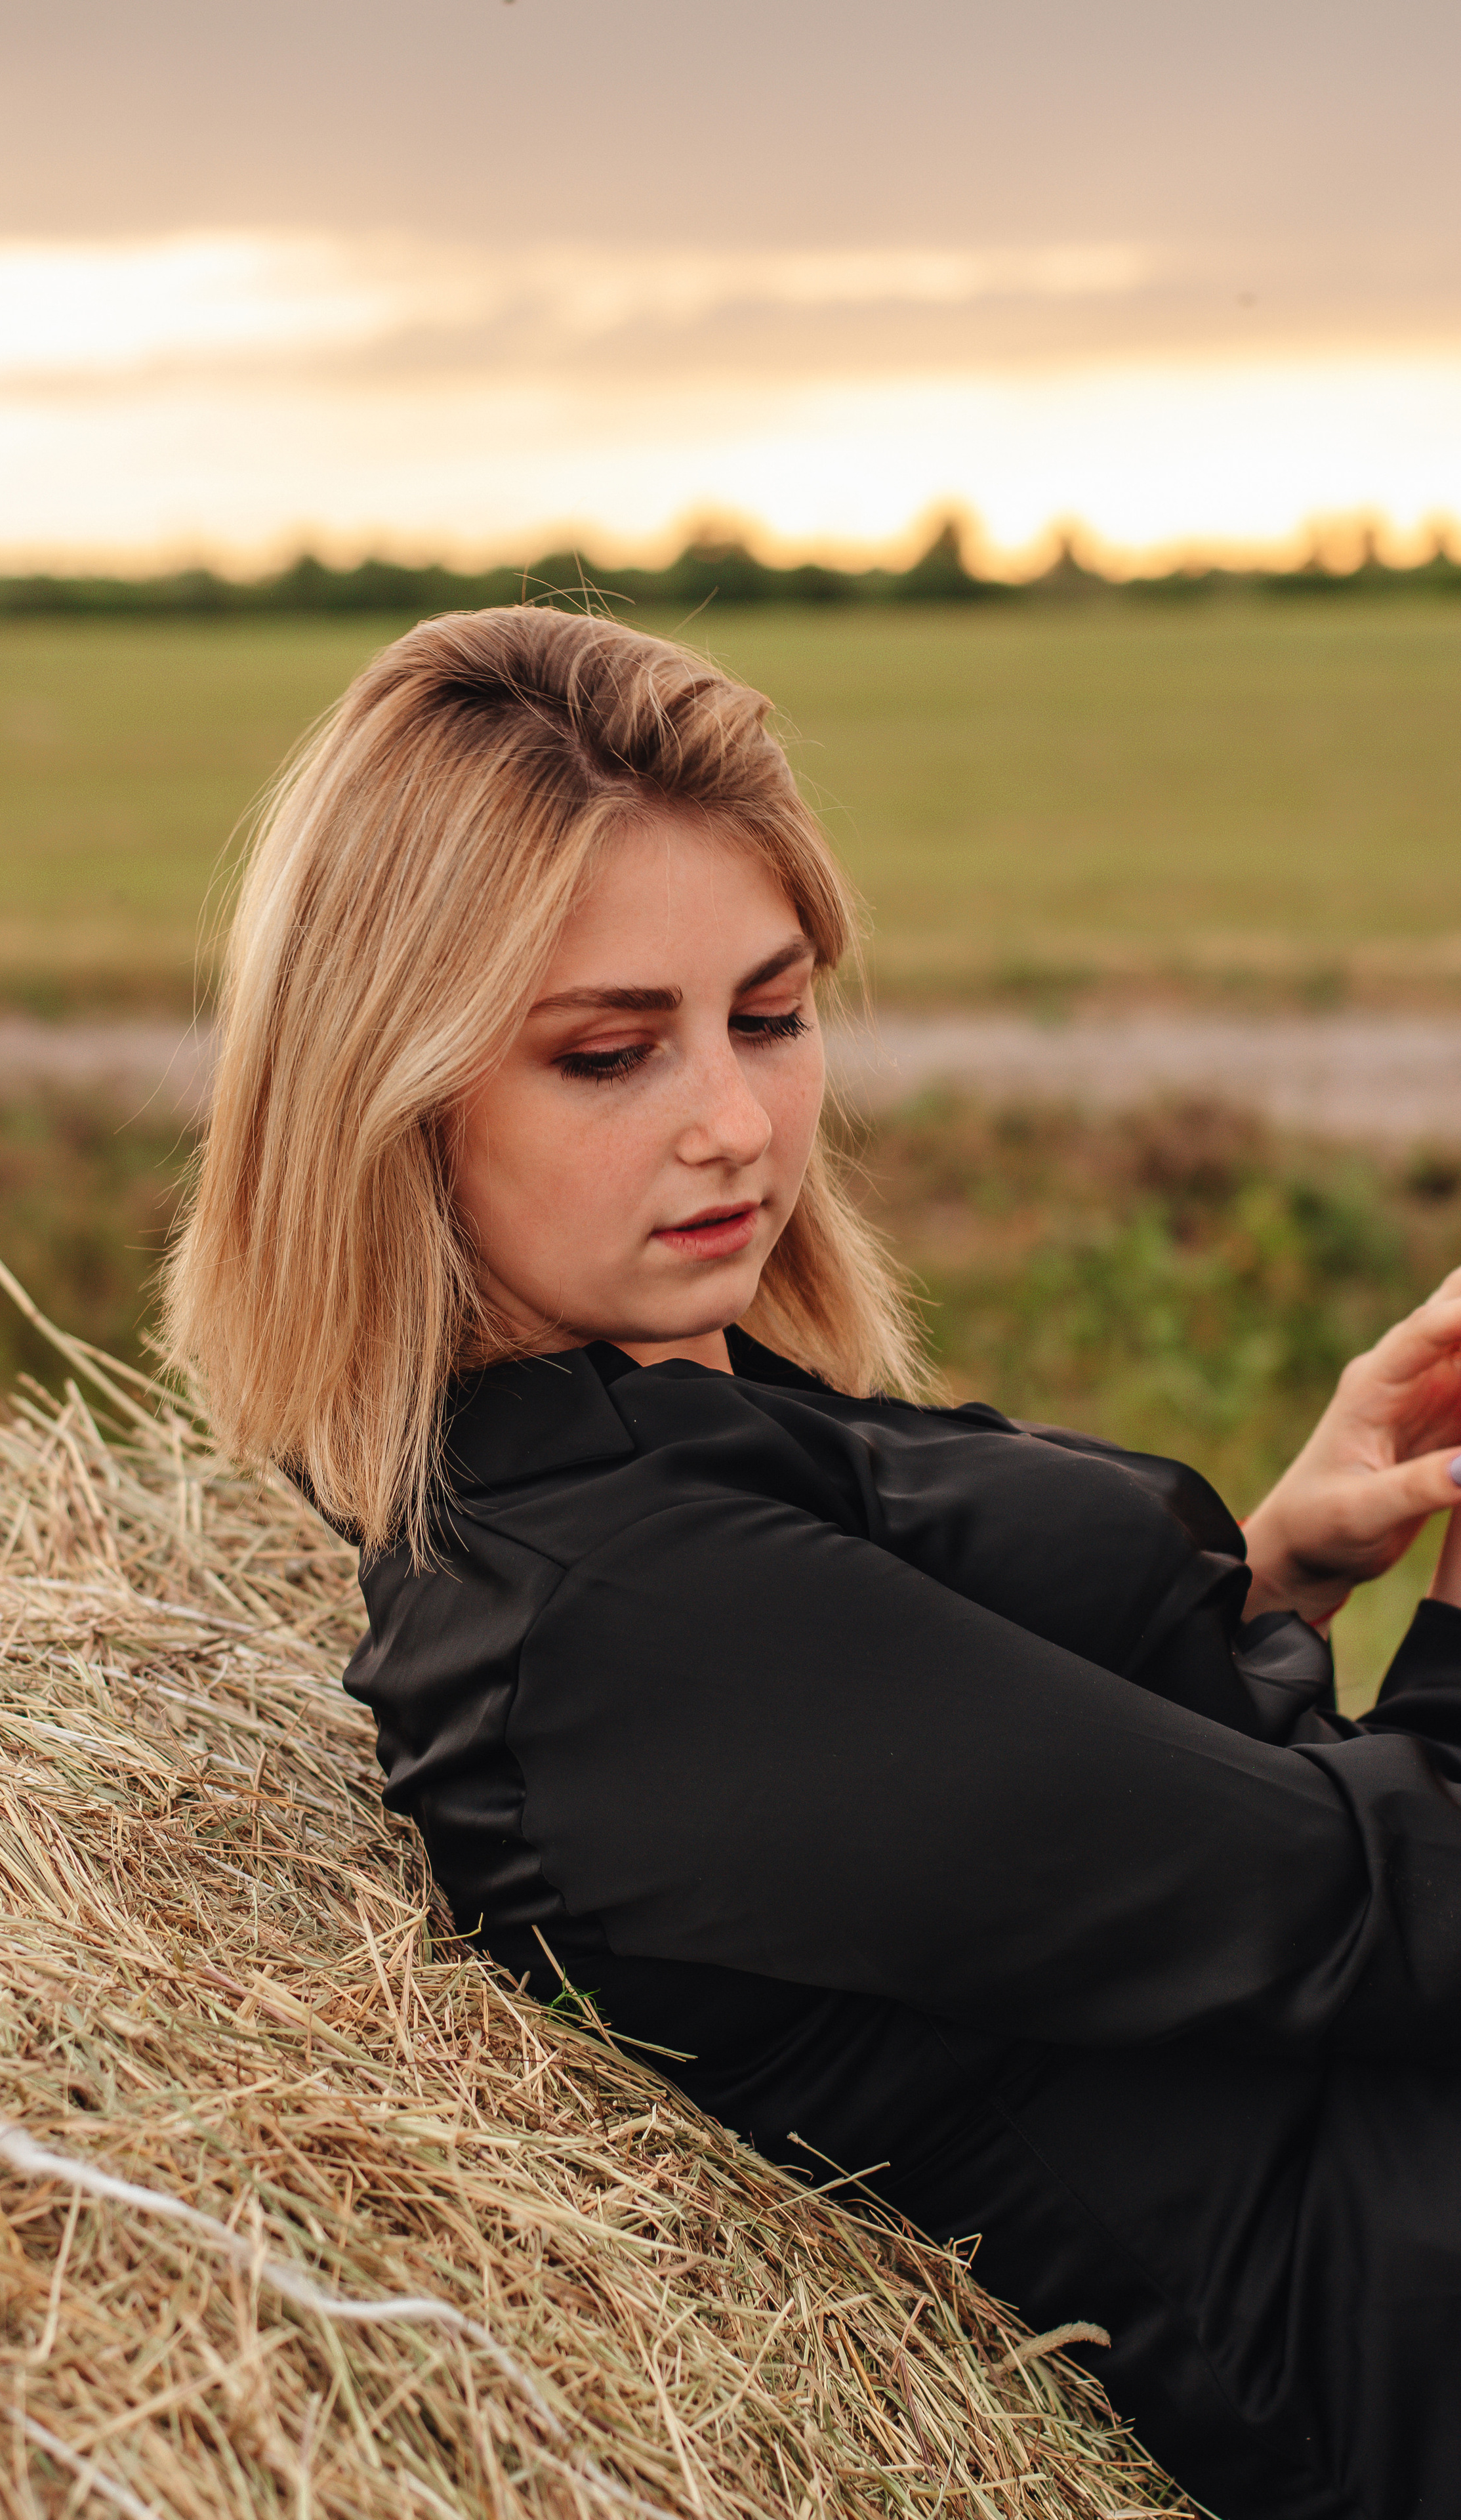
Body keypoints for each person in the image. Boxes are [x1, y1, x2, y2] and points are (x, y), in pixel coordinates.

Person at [163, 606, 1461, 2520]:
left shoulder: (665, 1412)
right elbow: (1361, 1922)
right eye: (612, 1053)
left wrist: (1280, 1565)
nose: (738, 1123)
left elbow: (1012, 1813)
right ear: (390, 1092)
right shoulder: (626, 1613)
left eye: (769, 1017)